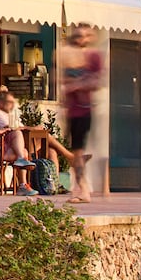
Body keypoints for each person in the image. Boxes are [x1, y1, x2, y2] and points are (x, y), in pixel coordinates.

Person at [56, 23, 105, 203]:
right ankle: (81, 188)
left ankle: (83, 189)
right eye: (77, 35)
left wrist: (77, 84)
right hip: (71, 111)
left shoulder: (93, 57)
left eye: (85, 35)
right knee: (75, 152)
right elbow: (61, 79)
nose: (81, 39)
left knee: (78, 152)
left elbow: (97, 82)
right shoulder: (68, 55)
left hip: (84, 110)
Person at [0, 89, 40, 192]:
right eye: (10, 102)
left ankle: (24, 184)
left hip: (11, 148)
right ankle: (23, 183)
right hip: (2, 150)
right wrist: (33, 128)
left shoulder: (9, 115)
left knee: (25, 151)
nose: (12, 105)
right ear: (1, 103)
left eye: (13, 102)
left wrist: (31, 128)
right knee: (17, 134)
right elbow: (13, 127)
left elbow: (21, 126)